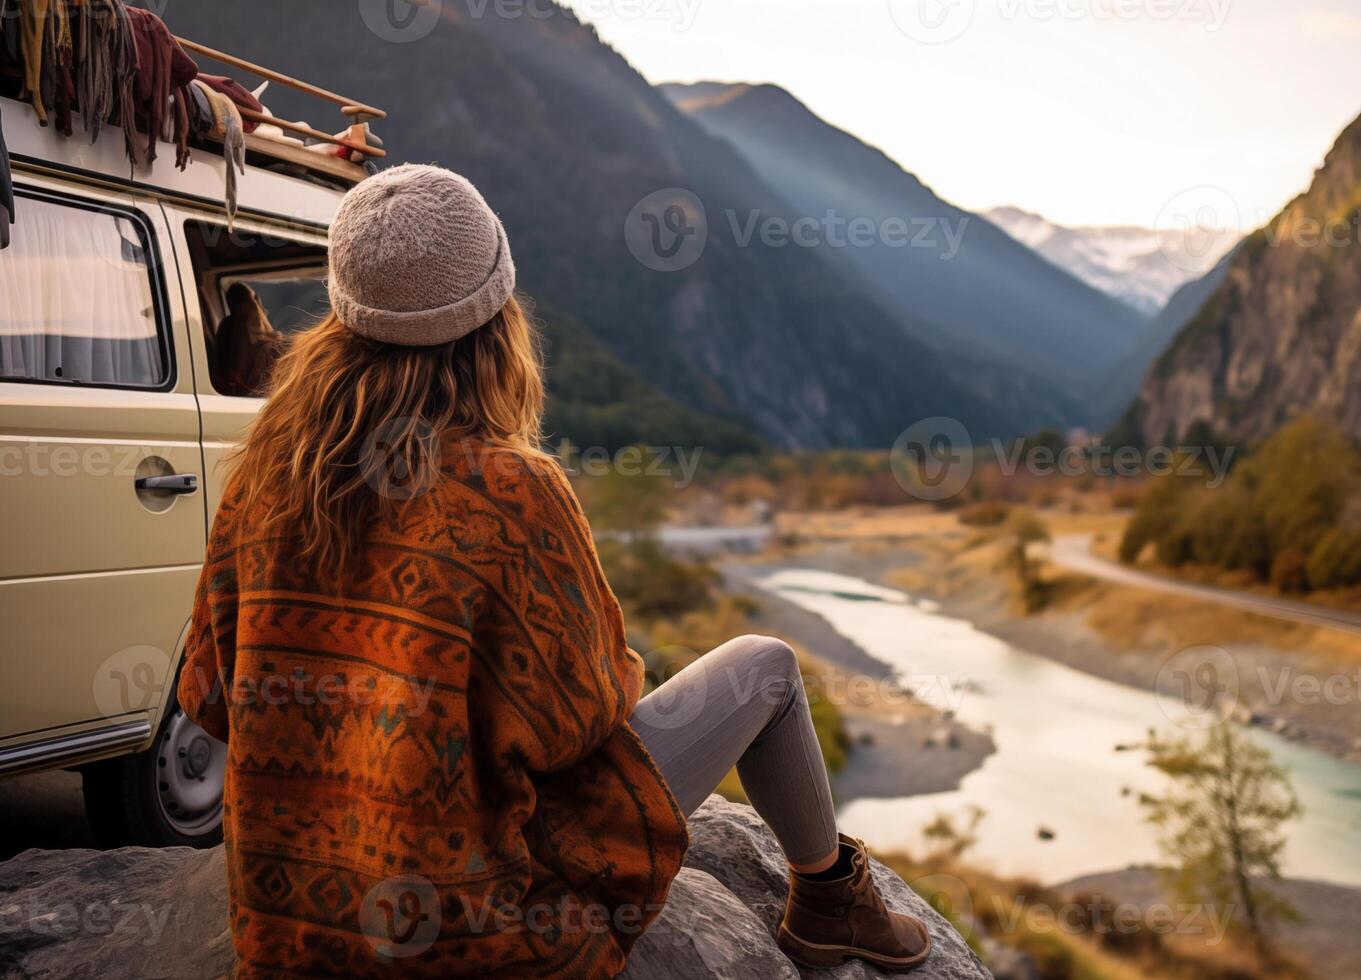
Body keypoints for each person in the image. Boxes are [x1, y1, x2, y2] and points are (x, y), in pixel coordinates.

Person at [178, 164, 930, 978]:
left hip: (291, 923)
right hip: (474, 929)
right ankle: (828, 899)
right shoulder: (514, 489)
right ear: (493, 317)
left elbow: (209, 699)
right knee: (768, 669)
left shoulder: (267, 471)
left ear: (342, 316)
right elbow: (580, 717)